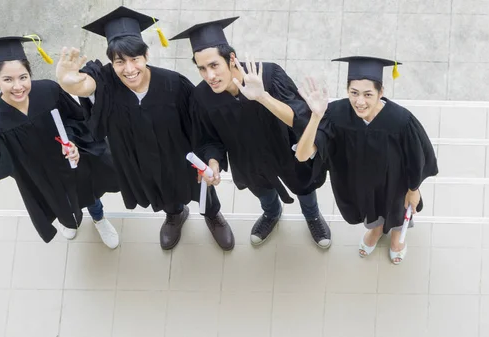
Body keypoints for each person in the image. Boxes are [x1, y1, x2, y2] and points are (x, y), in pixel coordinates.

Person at [55, 6, 235, 251]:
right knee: (159, 189)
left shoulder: (174, 84)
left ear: (146, 56)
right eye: (120, 62)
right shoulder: (106, 81)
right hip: (139, 159)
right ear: (112, 62)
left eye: (134, 59)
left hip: (179, 157)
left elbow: (201, 127)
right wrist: (69, 83)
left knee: (198, 185)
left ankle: (213, 215)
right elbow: (86, 85)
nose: (129, 69)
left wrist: (209, 160)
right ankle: (174, 215)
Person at [170, 18, 332, 248]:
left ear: (232, 58)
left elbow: (300, 119)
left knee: (304, 186)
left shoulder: (269, 75)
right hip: (247, 160)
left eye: (214, 65)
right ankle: (272, 214)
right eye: (202, 68)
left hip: (285, 150)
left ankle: (312, 216)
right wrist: (213, 162)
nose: (209, 76)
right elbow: (209, 140)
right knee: (263, 192)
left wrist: (262, 97)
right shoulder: (201, 98)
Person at [0, 35, 121, 248]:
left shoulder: (48, 90)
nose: (18, 87)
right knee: (57, 202)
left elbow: (78, 118)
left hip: (70, 164)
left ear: (29, 74)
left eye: (23, 77)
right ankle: (67, 221)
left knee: (88, 193)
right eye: (8, 80)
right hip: (38, 176)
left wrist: (73, 144)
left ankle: (99, 218)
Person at [293, 56, 438, 264]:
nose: (360, 102)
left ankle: (397, 237)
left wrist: (413, 189)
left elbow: (417, 157)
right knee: (368, 209)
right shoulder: (336, 114)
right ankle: (376, 230)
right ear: (347, 91)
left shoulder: (401, 120)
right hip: (358, 181)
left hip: (395, 184)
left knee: (397, 210)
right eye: (354, 93)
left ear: (381, 92)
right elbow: (302, 155)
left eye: (368, 94)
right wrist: (316, 116)